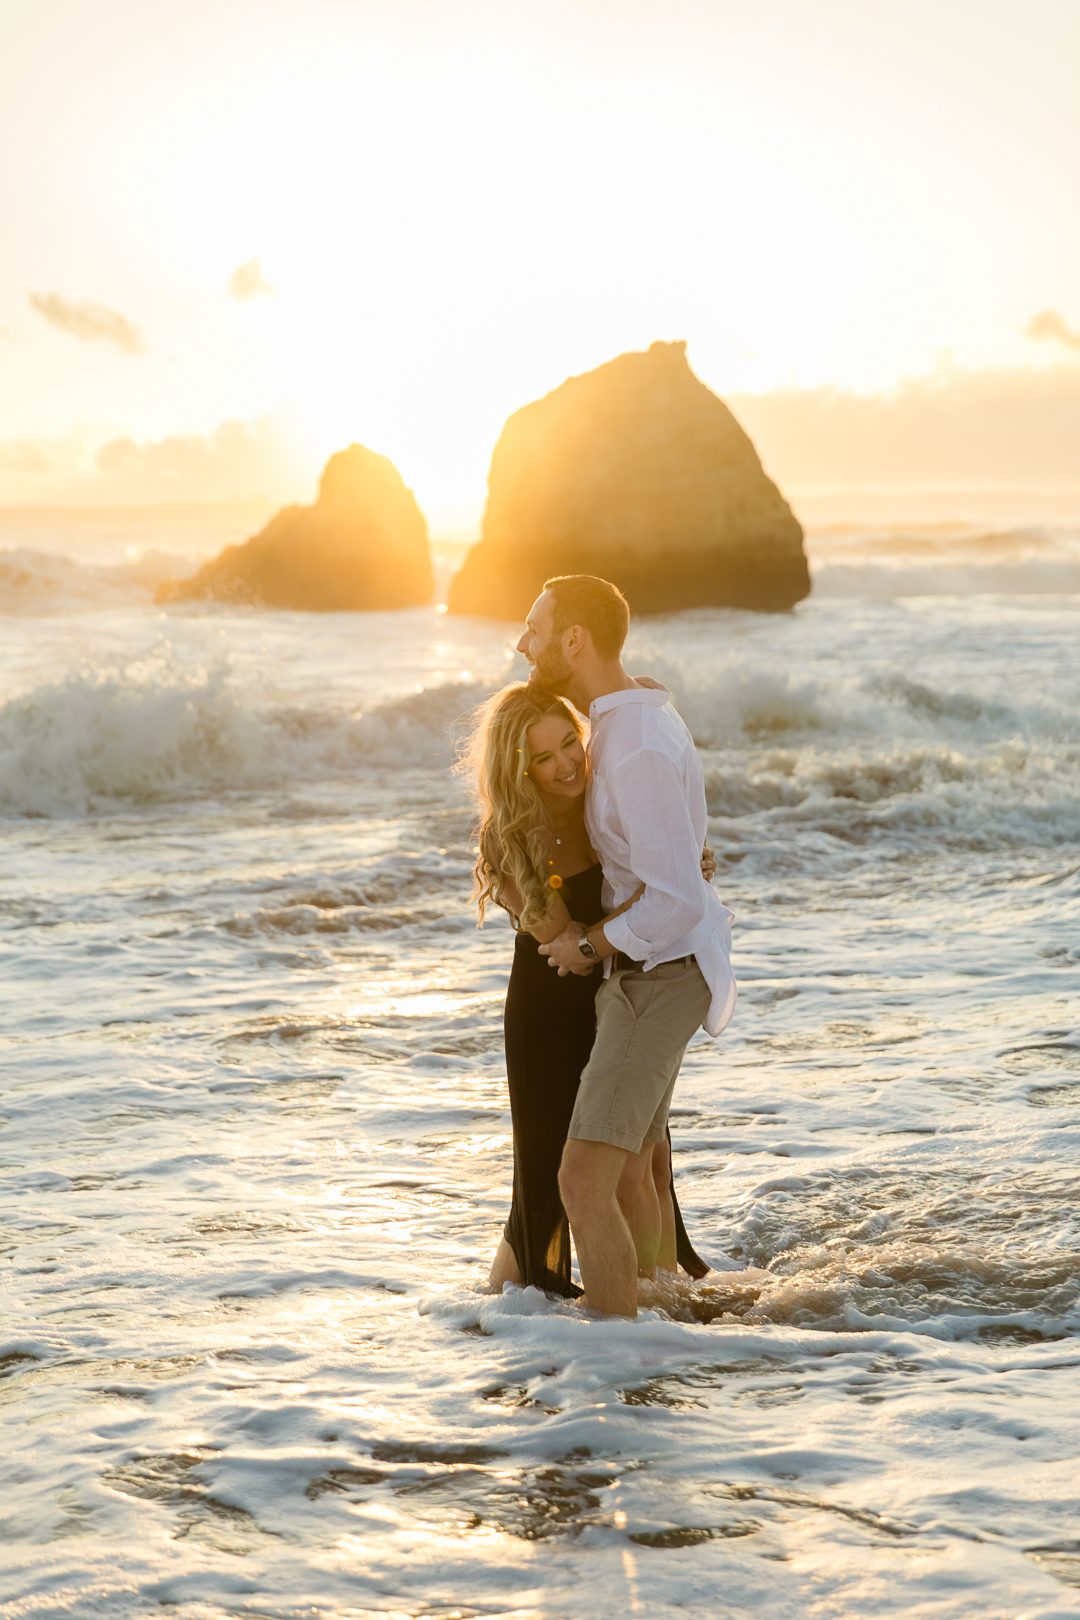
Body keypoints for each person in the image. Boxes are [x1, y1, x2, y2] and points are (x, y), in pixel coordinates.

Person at [519, 574, 737, 1319]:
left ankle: (614, 1352)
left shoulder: (635, 742)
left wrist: (590, 942)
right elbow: (671, 867)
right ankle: (659, 1314)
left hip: (659, 974)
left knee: (583, 1180)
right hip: (655, 971)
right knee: (636, 1169)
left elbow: (674, 897)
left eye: (535, 628)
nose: (524, 644)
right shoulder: (628, 721)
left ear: (573, 640)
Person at [461, 681, 711, 1299]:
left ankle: (657, 1290)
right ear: (518, 769)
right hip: (550, 1009)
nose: (565, 764)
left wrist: (675, 868)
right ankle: (504, 1317)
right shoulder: (509, 837)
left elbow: (665, 866)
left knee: (644, 1158)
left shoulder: (608, 797)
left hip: (623, 995)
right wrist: (657, 889)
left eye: (568, 743)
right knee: (549, 1178)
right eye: (541, 758)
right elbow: (562, 941)